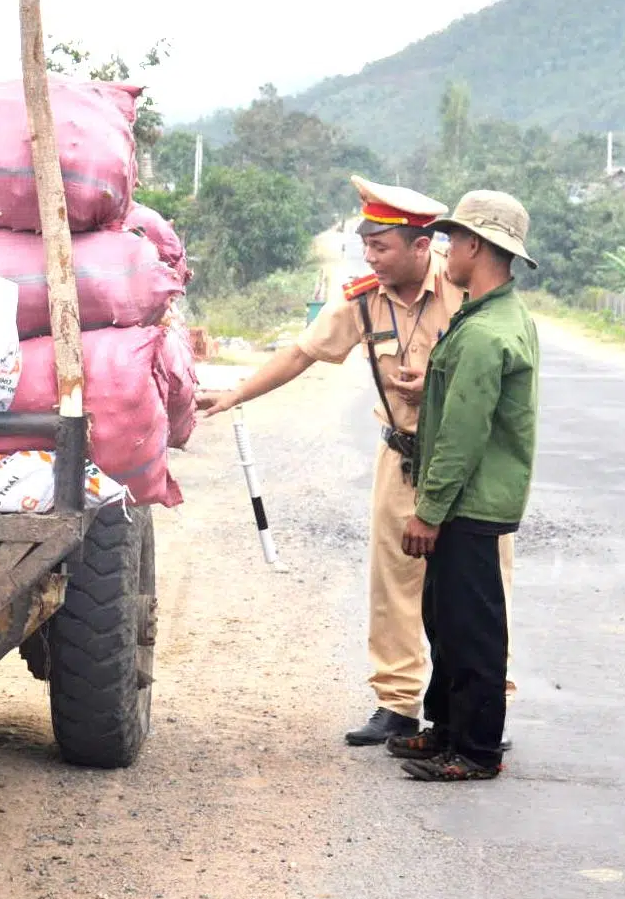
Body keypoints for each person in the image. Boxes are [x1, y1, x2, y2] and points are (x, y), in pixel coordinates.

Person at [197, 176, 513, 746]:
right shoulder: (362, 298)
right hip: (403, 456)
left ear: (423, 246)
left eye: (381, 245)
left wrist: (437, 389)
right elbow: (300, 353)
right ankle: (396, 705)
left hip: (466, 461)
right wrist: (236, 394)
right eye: (367, 243)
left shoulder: (466, 288)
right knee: (394, 582)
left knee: (480, 588)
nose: (370, 255)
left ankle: (479, 707)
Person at [387, 191, 540, 782]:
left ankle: (476, 752)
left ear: (477, 246)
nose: (445, 251)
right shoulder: (490, 318)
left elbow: (462, 435)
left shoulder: (483, 331)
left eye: (453, 240)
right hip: (468, 499)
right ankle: (446, 729)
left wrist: (427, 511)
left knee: (471, 629)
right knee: (444, 617)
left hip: (468, 502)